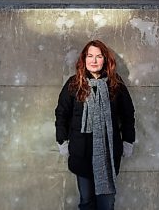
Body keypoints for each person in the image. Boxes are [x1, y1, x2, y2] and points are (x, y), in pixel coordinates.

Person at [55, 40, 136, 210]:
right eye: (90, 56)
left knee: (106, 204)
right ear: (84, 59)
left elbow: (128, 114)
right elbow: (62, 114)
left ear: (105, 60)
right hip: (81, 152)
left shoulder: (116, 84)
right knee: (86, 202)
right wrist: (62, 140)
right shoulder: (74, 84)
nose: (94, 60)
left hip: (108, 154)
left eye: (99, 56)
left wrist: (128, 140)